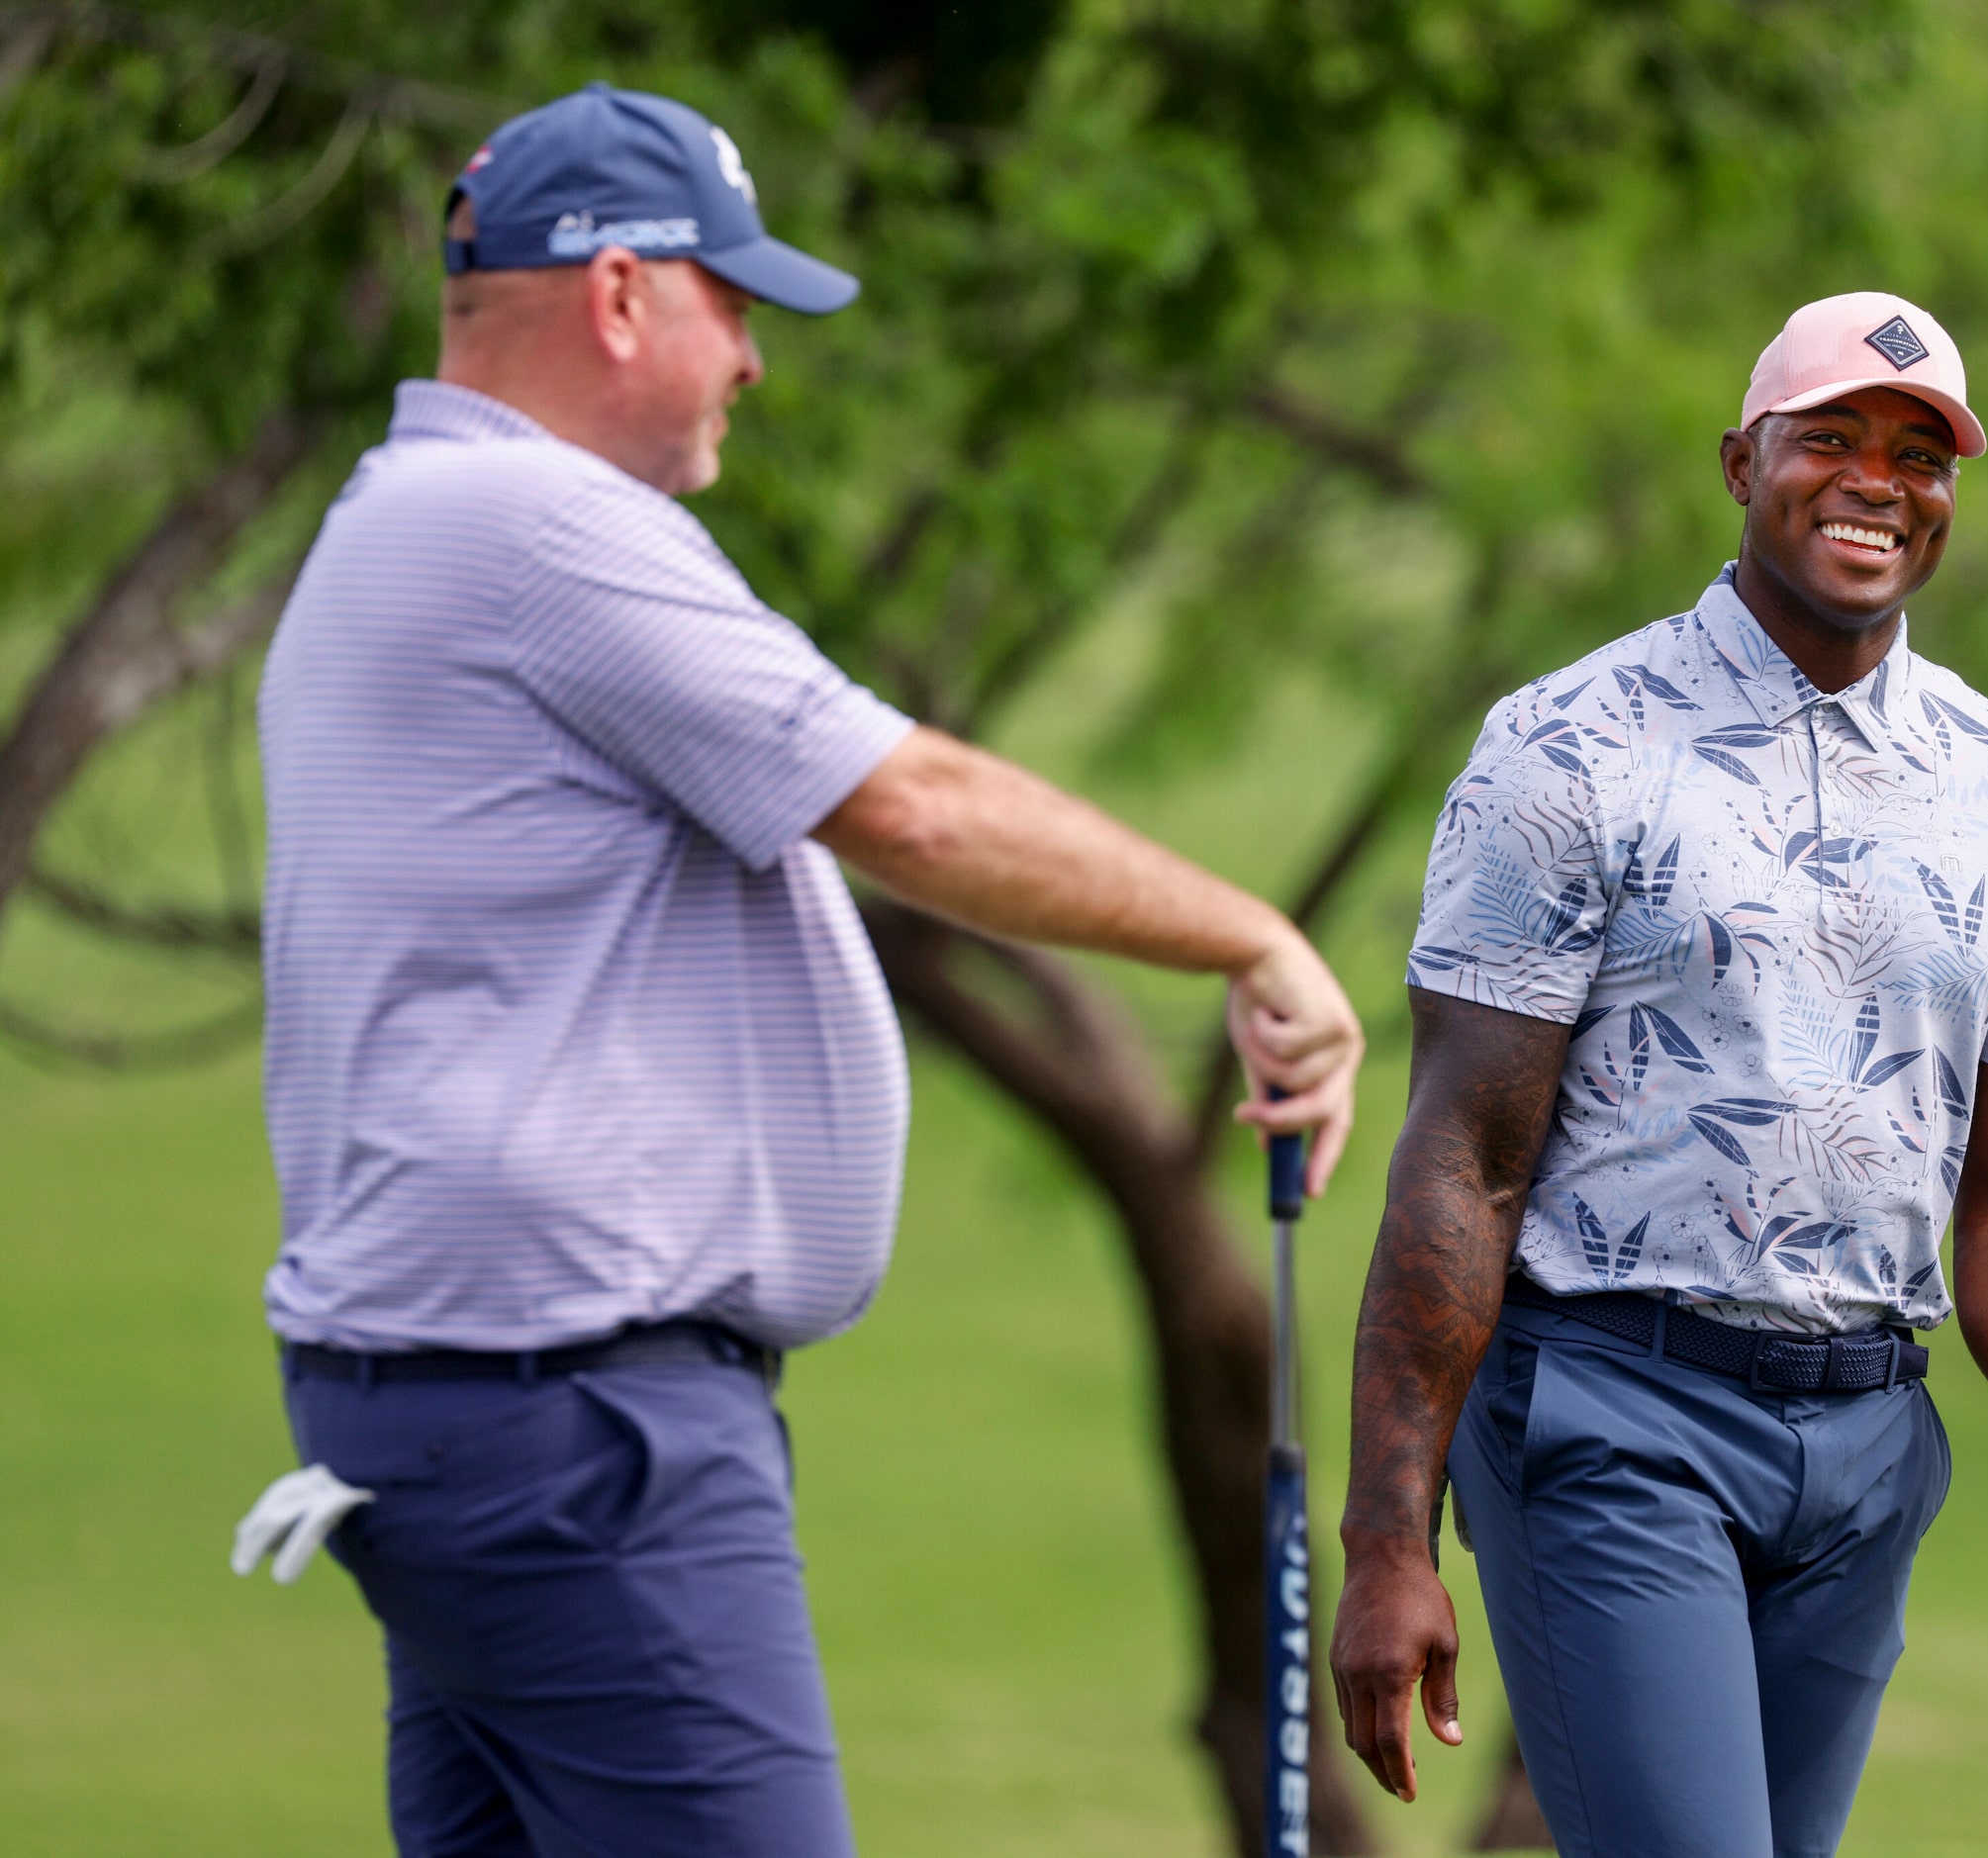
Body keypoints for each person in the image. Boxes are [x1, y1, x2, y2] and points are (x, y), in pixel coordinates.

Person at [236, 83, 1363, 1857]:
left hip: (465, 1403)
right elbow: (912, 803)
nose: (754, 361)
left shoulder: (407, 519)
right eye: (733, 304)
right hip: (578, 1423)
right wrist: (1252, 931)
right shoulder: (537, 531)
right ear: (619, 294)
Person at [1327, 291, 1988, 1858]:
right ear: (1739, 460)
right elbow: (1463, 1159)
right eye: (1828, 437)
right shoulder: (1569, 747)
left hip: (1867, 1446)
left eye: (1921, 454)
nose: (1875, 480)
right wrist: (1388, 1535)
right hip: (1615, 1413)